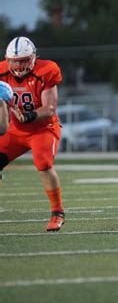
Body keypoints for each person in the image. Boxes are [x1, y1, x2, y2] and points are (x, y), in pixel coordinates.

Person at [0, 36, 65, 232]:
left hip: (42, 128)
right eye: (14, 61)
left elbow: (50, 108)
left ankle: (57, 212)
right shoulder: (1, 72)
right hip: (14, 130)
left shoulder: (47, 70)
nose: (18, 65)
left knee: (43, 163)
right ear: (7, 59)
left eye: (23, 60)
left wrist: (28, 116)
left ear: (34, 57)